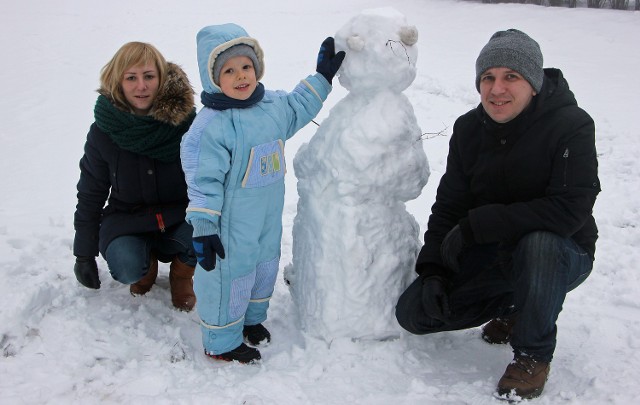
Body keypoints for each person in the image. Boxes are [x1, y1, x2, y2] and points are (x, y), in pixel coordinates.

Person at [395, 29, 600, 400]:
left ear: (534, 83)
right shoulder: (469, 129)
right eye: (488, 77)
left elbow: (569, 211)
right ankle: (518, 304)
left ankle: (532, 355)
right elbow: (450, 205)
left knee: (538, 246)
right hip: (495, 252)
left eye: (511, 77)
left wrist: (482, 223)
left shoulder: (571, 126)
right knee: (415, 314)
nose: (497, 89)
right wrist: (434, 271)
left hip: (562, 253)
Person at [180, 23, 345, 364]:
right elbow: (202, 181)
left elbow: (299, 106)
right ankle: (222, 340)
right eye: (229, 70)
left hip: (268, 214)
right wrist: (204, 227)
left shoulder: (271, 106)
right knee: (229, 276)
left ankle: (252, 319)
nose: (241, 76)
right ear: (213, 78)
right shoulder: (211, 126)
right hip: (230, 223)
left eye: (246, 67)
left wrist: (322, 78)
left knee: (264, 266)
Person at [73, 42, 198, 312]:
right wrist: (83, 253)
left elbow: (209, 180)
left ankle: (181, 275)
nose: (141, 86)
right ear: (118, 81)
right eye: (131, 78)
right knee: (127, 266)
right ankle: (144, 268)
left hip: (180, 218)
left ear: (161, 79)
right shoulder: (103, 131)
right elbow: (91, 192)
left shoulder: (188, 125)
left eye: (149, 76)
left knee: (209, 229)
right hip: (128, 221)